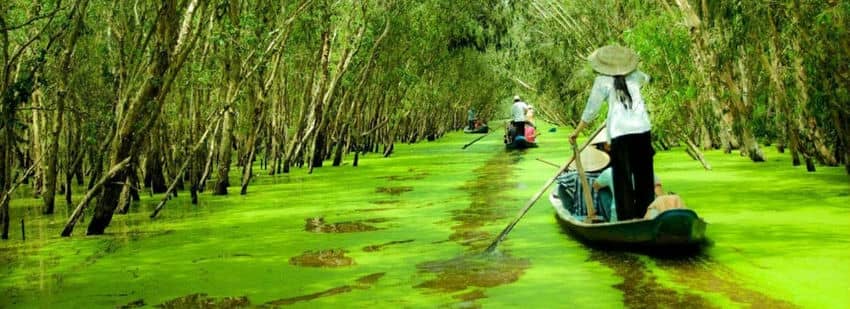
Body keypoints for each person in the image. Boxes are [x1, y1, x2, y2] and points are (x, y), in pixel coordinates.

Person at [569, 45, 654, 221]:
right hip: (642, 129)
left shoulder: (602, 81)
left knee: (622, 179)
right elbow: (649, 79)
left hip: (620, 133)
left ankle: (627, 220)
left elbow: (591, 109)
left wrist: (577, 132)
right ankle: (646, 215)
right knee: (644, 176)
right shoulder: (636, 76)